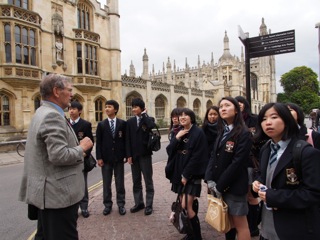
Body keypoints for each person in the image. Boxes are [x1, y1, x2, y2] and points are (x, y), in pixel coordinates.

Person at [18, 74, 93, 240]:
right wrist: (82, 148)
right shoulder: (51, 116)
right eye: (69, 90)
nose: (72, 95)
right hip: (58, 196)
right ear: (56, 91)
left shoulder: (42, 111)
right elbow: (59, 155)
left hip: (48, 195)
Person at [252, 102, 320, 240]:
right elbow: (265, 175)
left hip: (295, 228)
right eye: (264, 119)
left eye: (274, 117)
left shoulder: (305, 152)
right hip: (267, 227)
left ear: (287, 120)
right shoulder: (266, 149)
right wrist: (258, 183)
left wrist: (274, 197)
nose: (268, 123)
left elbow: (313, 194)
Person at [205, 97, 252, 240]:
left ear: (236, 110)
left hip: (234, 186)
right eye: (221, 106)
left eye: (227, 105)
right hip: (219, 185)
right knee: (228, 223)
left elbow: (237, 164)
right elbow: (214, 156)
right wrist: (209, 178)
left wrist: (220, 185)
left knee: (240, 225)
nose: (222, 108)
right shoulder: (222, 130)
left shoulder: (244, 133)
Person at [166, 108, 208, 240]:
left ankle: (197, 236)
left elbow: (198, 156)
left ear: (192, 117)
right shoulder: (178, 131)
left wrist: (186, 174)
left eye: (186, 115)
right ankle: (190, 234)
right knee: (183, 205)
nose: (182, 117)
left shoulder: (198, 132)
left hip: (191, 174)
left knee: (186, 206)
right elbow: (169, 151)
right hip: (178, 171)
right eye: (180, 116)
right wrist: (177, 138)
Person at [96, 100, 127, 216]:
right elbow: (98, 143)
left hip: (119, 159)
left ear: (115, 109)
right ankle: (107, 205)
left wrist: (126, 155)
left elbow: (125, 141)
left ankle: (121, 204)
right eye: (106, 107)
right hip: (106, 159)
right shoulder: (101, 125)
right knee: (106, 183)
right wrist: (99, 158)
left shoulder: (123, 124)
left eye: (109, 107)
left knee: (120, 183)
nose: (107, 109)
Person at [125, 98, 156, 215]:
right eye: (132, 107)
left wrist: (145, 115)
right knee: (136, 181)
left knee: (148, 181)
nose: (133, 109)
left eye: (136, 107)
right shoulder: (130, 122)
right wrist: (128, 155)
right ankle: (139, 203)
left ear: (142, 108)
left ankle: (149, 205)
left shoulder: (148, 119)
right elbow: (127, 140)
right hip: (134, 157)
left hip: (145, 155)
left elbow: (152, 126)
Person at [235, 96, 260, 237]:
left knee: (251, 196)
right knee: (242, 195)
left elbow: (259, 137)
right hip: (237, 163)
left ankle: (253, 226)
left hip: (250, 162)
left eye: (241, 103)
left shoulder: (253, 119)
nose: (239, 106)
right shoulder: (234, 121)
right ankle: (245, 225)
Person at [68, 101, 94, 218]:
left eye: (73, 109)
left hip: (81, 159)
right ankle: (72, 209)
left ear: (79, 111)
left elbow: (90, 142)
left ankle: (84, 208)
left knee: (82, 184)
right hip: (68, 159)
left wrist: (84, 154)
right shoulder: (65, 123)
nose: (71, 111)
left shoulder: (85, 124)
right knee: (70, 186)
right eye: (69, 109)